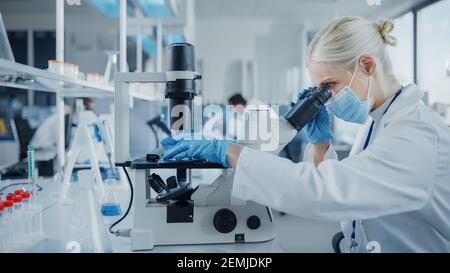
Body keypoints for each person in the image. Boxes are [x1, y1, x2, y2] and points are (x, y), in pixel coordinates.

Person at [161, 17, 450, 253]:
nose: (326, 97)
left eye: (329, 85)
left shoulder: (416, 136)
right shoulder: (379, 120)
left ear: (367, 65)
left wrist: (230, 151)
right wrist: (321, 144)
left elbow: (327, 193)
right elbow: (352, 191)